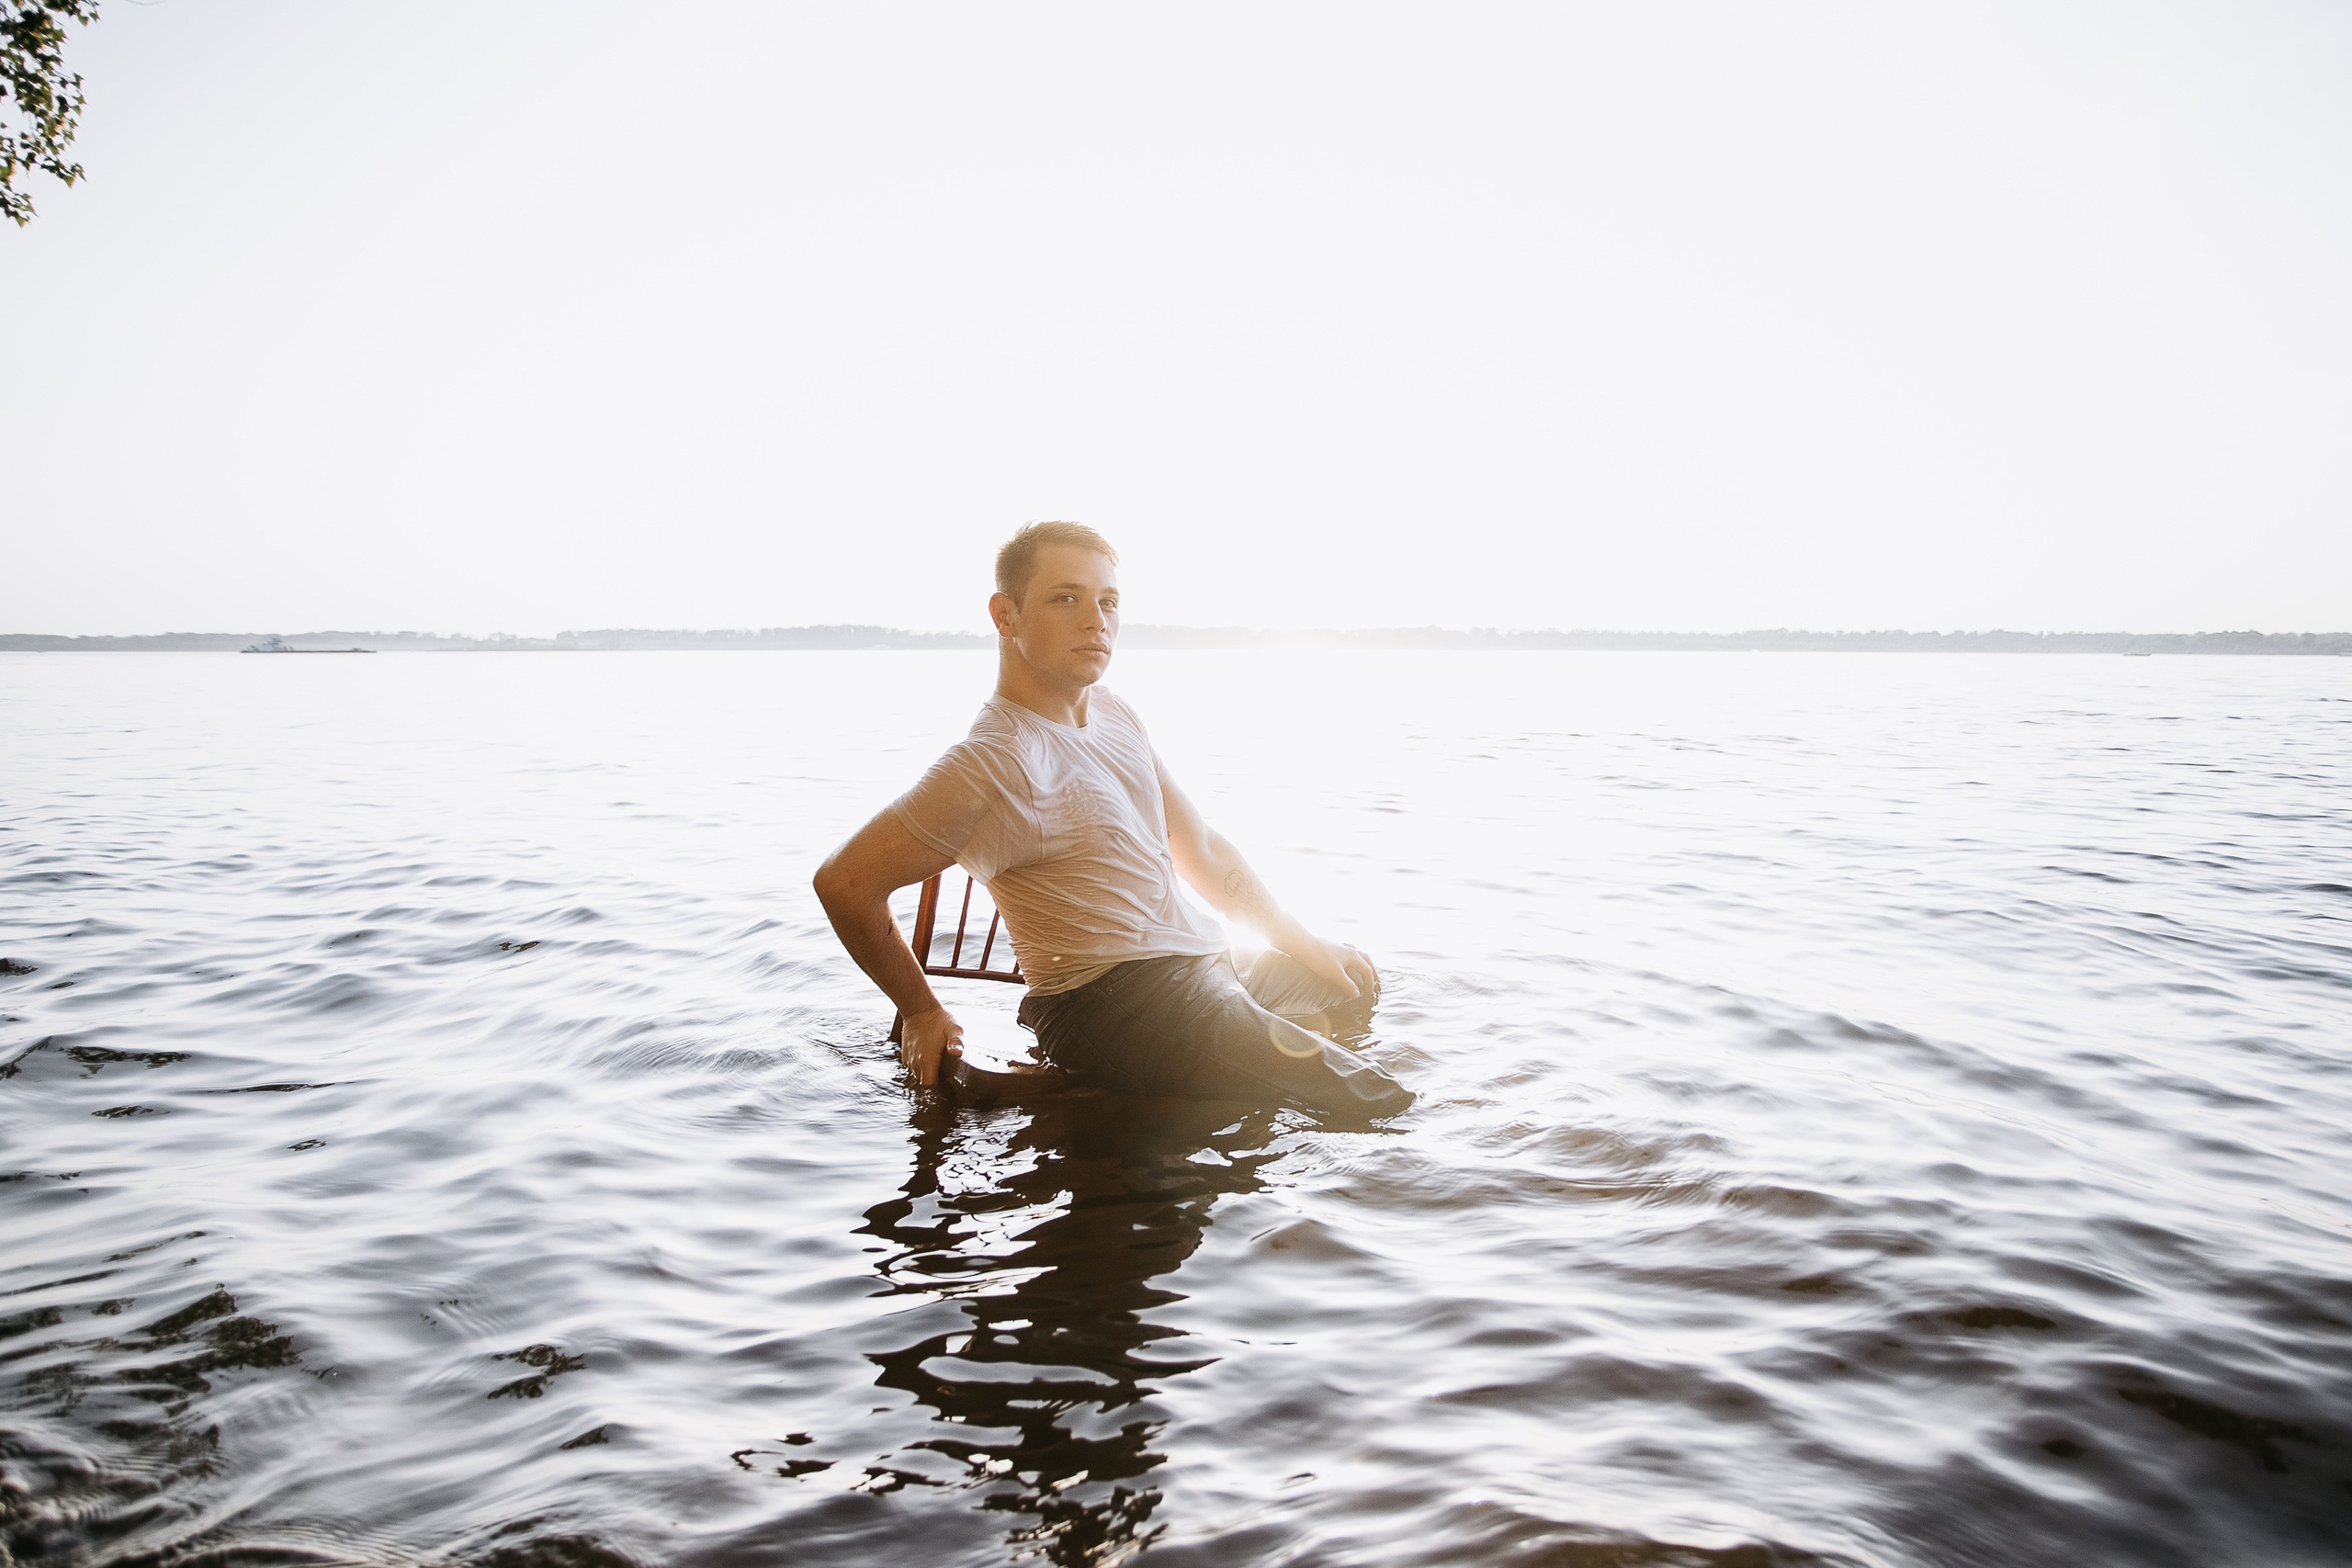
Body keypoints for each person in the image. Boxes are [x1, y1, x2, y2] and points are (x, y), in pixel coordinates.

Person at [813, 522, 1411, 1119]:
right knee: (1365, 1095)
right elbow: (844, 883)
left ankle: (1212, 1118)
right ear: (1006, 615)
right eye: (1066, 598)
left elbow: (1200, 848)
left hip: (1205, 965)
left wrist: (1303, 944)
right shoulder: (992, 761)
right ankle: (1413, 1128)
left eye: (1109, 602)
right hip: (1111, 1000)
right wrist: (921, 1009)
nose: (1096, 620)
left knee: (1347, 983)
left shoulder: (1114, 712)